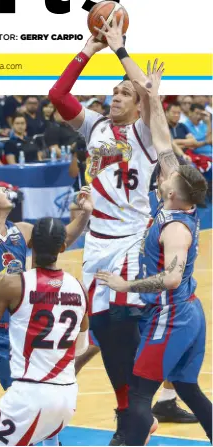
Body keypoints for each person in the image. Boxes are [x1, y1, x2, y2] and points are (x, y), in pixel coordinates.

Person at [48, 14, 171, 444]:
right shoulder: (94, 126)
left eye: (124, 92)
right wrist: (89, 50)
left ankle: (139, 409)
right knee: (102, 329)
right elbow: (57, 94)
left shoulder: (143, 131)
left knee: (122, 320)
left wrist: (121, 49)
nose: (116, 96)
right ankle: (131, 412)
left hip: (132, 239)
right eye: (113, 91)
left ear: (137, 105)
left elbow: (153, 96)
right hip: (96, 242)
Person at [0, 116, 93, 446]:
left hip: (14, 335)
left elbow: (62, 240)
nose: (5, 189)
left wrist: (83, 215)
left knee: (34, 404)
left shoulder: (22, 231)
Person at [95, 69, 212, 445]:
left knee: (141, 394)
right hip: (188, 311)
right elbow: (163, 141)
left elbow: (172, 277)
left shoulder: (176, 227)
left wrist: (125, 284)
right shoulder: (177, 197)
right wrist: (152, 95)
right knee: (188, 389)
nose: (163, 176)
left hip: (172, 313)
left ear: (178, 195)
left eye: (169, 179)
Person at [0, 217, 89, 446]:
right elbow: (80, 347)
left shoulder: (13, 285)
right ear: (63, 248)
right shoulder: (80, 288)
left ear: (30, 243)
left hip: (29, 397)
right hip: (67, 400)